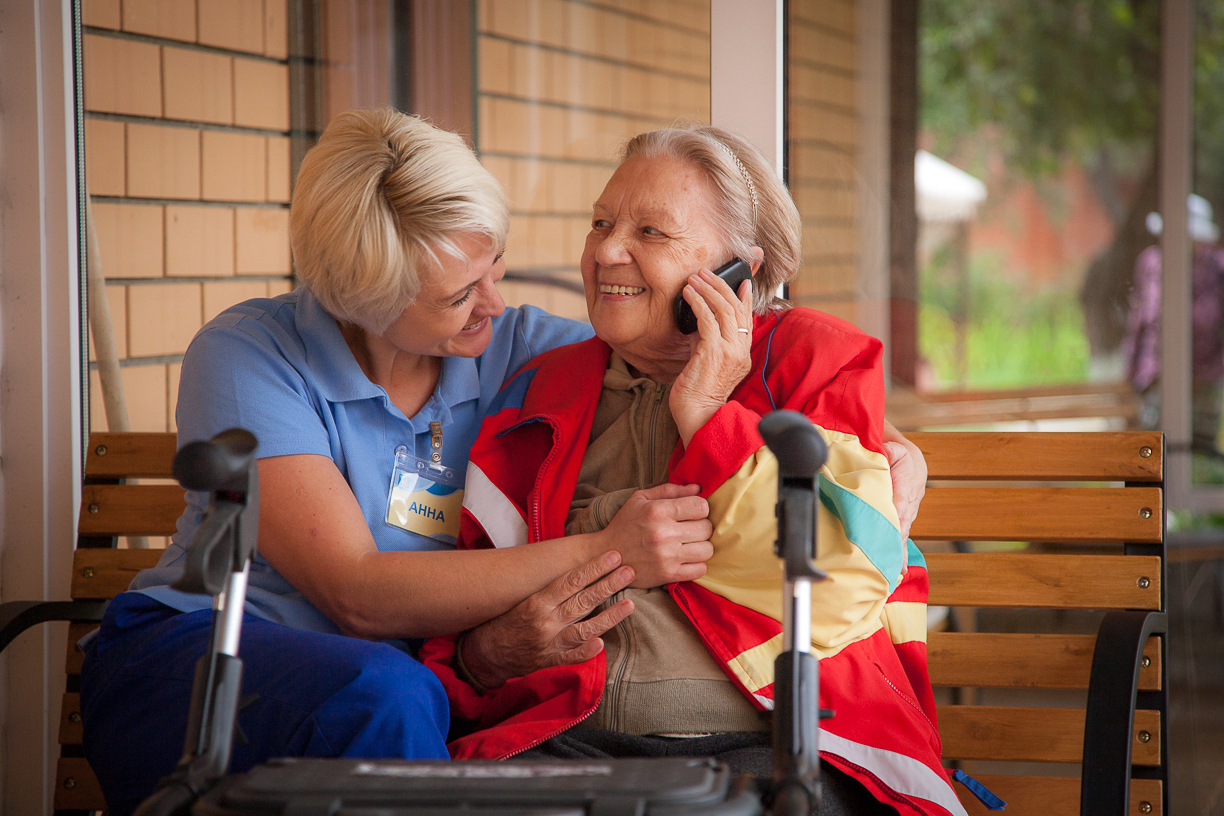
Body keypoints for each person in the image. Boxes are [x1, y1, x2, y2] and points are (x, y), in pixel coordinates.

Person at [80, 109, 929, 816]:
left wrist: (890, 465)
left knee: (407, 701)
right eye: (458, 296)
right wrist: (613, 552)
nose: (498, 302)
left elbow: (668, 354)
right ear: (363, 304)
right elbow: (355, 593)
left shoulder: (521, 350)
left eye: (496, 268)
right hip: (221, 658)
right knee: (392, 697)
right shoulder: (251, 354)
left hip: (415, 688)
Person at [422, 125, 962, 816]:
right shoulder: (539, 393)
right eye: (601, 223)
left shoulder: (811, 362)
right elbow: (475, 615)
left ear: (742, 268)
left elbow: (839, 587)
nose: (607, 251)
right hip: (566, 742)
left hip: (784, 746)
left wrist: (706, 409)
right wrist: (488, 654)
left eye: (651, 231)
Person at [1123, 194, 1224, 455]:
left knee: (1200, 448)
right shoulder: (1152, 262)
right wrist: (1131, 370)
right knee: (1151, 448)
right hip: (1157, 373)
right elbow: (1140, 317)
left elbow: (1210, 319)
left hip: (1204, 373)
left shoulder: (1216, 266)